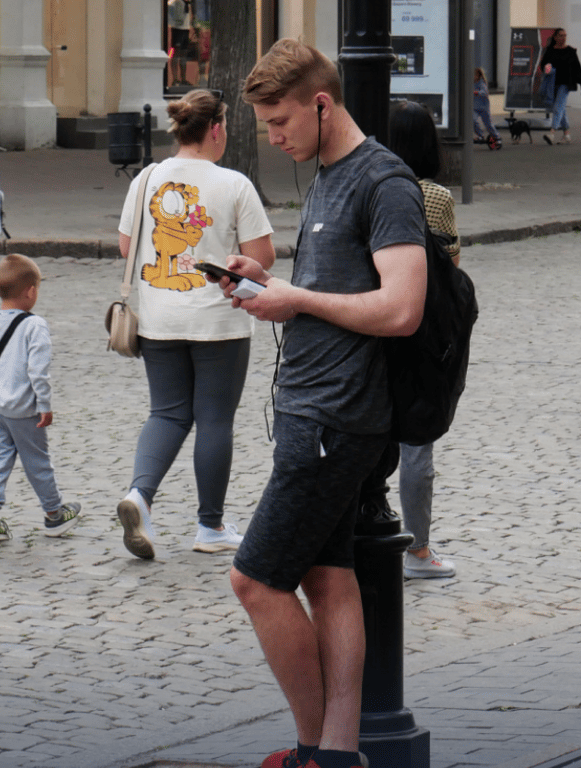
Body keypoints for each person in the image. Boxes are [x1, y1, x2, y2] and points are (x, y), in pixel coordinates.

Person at [222, 39, 426, 768]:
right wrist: (264, 283)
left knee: (255, 579)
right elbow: (333, 290)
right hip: (317, 411)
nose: (274, 137)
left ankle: (315, 751)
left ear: (320, 103)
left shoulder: (384, 182)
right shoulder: (329, 176)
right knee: (327, 576)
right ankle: (339, 754)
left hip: (334, 417)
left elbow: (402, 308)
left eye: (280, 122)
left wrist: (295, 299)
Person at [113, 89, 276, 560]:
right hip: (218, 322)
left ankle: (140, 495)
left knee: (166, 413)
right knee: (214, 419)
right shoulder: (234, 184)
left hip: (159, 318)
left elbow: (126, 246)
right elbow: (261, 256)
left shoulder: (146, 178)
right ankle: (210, 526)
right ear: (216, 129)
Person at [386, 100, 458, 581]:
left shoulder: (371, 185)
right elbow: (451, 265)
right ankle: (418, 549)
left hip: (371, 316)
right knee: (416, 442)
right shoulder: (434, 196)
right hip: (421, 327)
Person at [0, 254, 82, 543]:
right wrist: (44, 405)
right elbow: (38, 372)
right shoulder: (35, 326)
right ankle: (54, 514)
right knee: (37, 462)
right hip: (24, 410)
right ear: (31, 292)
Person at [539, 29, 581, 144]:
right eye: (560, 35)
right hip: (552, 83)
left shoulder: (570, 51)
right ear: (555, 37)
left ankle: (552, 133)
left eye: (565, 35)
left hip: (566, 84)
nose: (563, 38)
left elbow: (577, 68)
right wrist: (546, 67)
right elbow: (543, 64)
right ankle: (566, 134)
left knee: (557, 107)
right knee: (561, 109)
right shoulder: (550, 51)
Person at [471, 69, 502, 149]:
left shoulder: (482, 83)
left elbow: (485, 92)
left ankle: (497, 137)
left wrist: (477, 92)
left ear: (478, 76)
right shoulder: (470, 83)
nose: (473, 77)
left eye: (474, 75)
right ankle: (480, 135)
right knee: (473, 120)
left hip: (484, 108)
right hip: (475, 107)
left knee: (488, 124)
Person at [167, 0, 193, 87]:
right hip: (177, 30)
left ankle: (183, 79)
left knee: (183, 54)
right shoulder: (175, 2)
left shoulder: (187, 4)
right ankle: (174, 79)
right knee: (174, 52)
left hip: (186, 29)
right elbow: (170, 14)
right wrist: (175, 23)